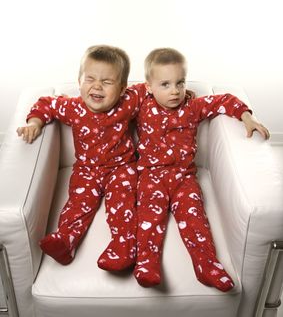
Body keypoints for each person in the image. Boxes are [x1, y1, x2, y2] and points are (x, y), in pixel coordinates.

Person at [132, 48, 270, 291]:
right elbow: (109, 95)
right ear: (149, 87)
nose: (174, 90)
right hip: (151, 176)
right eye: (165, 84)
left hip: (184, 177)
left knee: (195, 218)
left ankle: (207, 266)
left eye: (179, 82)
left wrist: (247, 117)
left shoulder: (193, 107)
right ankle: (146, 264)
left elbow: (225, 100)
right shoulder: (141, 103)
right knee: (149, 220)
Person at [17, 45, 146, 271]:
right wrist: (34, 123)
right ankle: (65, 241)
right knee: (78, 203)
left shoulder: (129, 101)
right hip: (87, 169)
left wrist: (181, 96)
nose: (97, 86)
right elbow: (46, 103)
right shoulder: (74, 107)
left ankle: (124, 248)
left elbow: (151, 88)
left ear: (123, 88)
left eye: (107, 82)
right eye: (90, 79)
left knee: (122, 204)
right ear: (79, 81)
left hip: (122, 167)